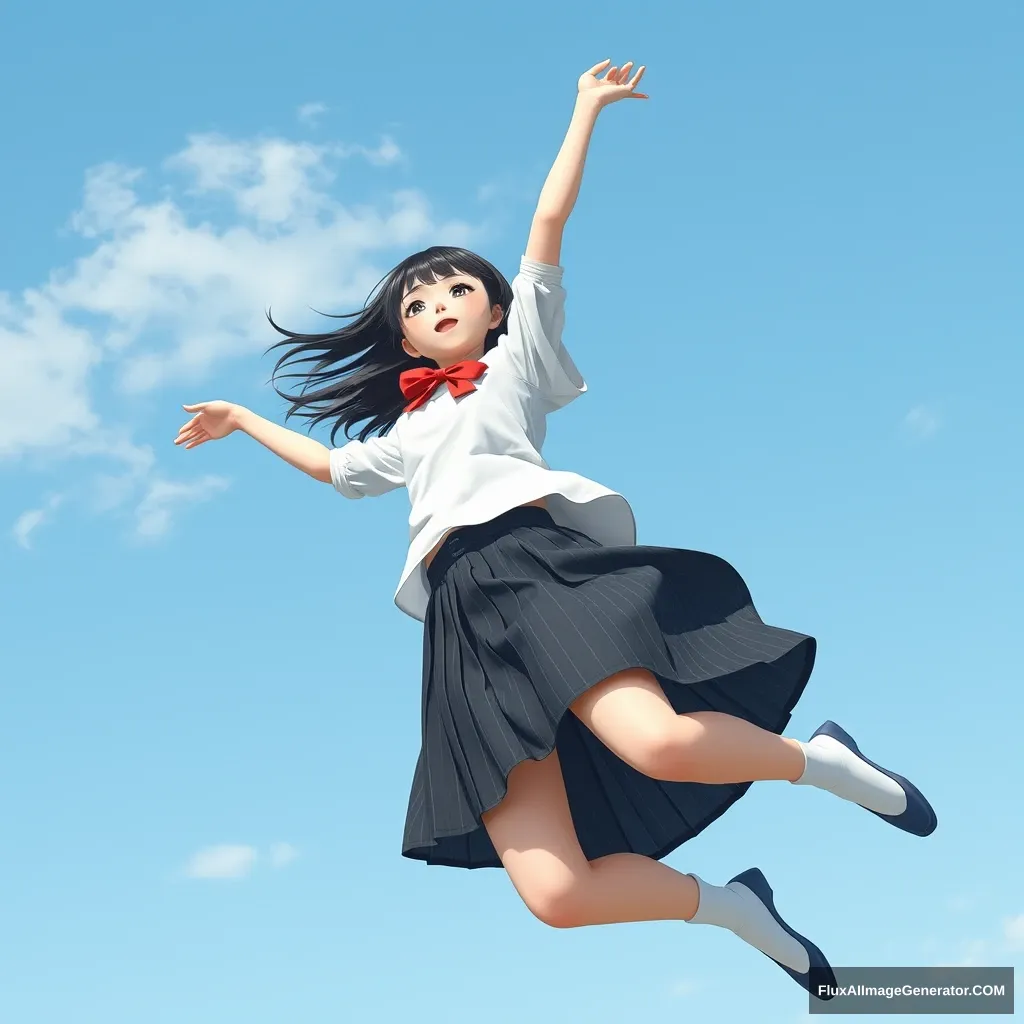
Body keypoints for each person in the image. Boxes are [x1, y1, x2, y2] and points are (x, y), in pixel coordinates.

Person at [175, 59, 936, 999]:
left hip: (535, 570)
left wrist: (583, 111)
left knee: (656, 743)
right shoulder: (410, 428)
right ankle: (737, 909)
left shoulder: (514, 364)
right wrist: (244, 423)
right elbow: (338, 470)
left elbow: (545, 229)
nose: (436, 305)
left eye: (454, 289)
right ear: (407, 343)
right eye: (416, 306)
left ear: (493, 307)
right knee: (557, 893)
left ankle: (819, 762)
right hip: (461, 624)